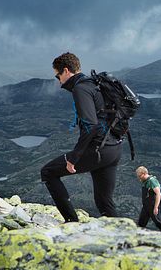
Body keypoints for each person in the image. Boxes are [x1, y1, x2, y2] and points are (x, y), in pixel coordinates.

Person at [41, 52, 122, 222]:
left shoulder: (80, 88)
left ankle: (72, 222)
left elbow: (90, 125)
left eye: (58, 76)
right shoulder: (94, 84)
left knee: (48, 172)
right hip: (113, 148)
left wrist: (74, 157)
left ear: (66, 71)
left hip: (98, 149)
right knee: (104, 202)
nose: (59, 80)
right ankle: (125, 242)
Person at [135, 166, 161, 234]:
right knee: (141, 223)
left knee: (158, 222)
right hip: (146, 206)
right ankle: (139, 237)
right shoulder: (145, 181)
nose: (138, 178)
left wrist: (156, 207)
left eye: (139, 176)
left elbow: (158, 194)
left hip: (153, 206)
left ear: (144, 173)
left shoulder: (152, 181)